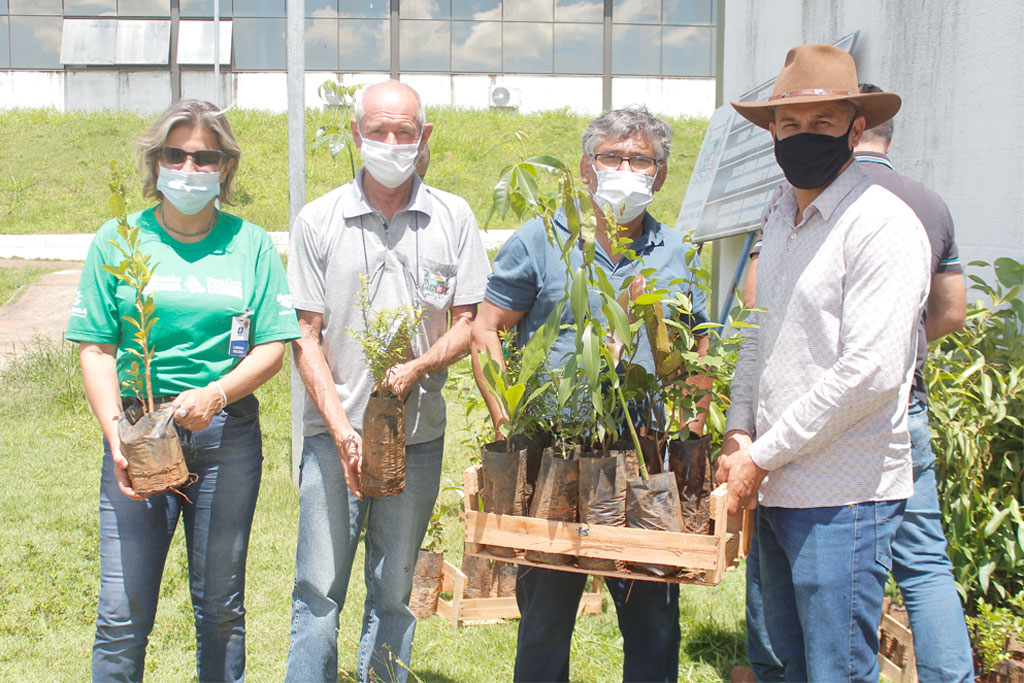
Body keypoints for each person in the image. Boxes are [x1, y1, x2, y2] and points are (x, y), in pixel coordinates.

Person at [735, 82, 972, 683]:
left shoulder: (881, 224)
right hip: (776, 481)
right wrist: (740, 429)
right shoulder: (781, 211)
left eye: (824, 119)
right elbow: (760, 327)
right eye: (791, 124)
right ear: (772, 133)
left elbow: (870, 369)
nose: (806, 134)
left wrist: (762, 453)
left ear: (855, 127)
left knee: (836, 670)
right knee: (783, 662)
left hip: (842, 493)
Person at [471, 105, 710, 682]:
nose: (626, 169)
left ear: (660, 174)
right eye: (612, 158)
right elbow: (485, 328)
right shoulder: (542, 239)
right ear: (585, 169)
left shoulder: (676, 251)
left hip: (645, 453)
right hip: (556, 453)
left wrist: (694, 421)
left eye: (640, 160)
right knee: (546, 619)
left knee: (652, 618)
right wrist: (507, 418)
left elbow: (700, 346)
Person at [67, 99, 300, 682]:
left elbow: (274, 343)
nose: (189, 168)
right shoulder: (117, 240)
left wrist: (218, 393)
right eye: (176, 154)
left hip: (225, 439)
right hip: (138, 432)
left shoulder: (250, 244)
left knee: (221, 609)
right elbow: (96, 346)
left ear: (225, 167)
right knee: (121, 614)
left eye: (205, 157)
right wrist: (115, 436)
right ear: (156, 161)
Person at [285, 80, 489, 683]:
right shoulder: (320, 219)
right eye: (378, 131)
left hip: (417, 439)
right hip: (332, 437)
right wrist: (341, 427)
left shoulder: (453, 216)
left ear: (424, 137)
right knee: (318, 587)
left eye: (405, 132)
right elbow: (305, 334)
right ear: (357, 135)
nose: (392, 142)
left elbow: (467, 322)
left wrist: (422, 365)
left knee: (395, 588)